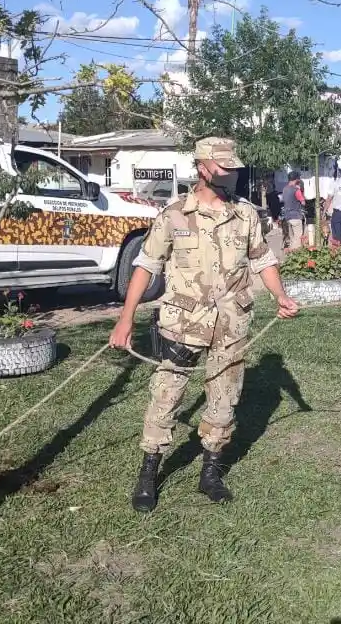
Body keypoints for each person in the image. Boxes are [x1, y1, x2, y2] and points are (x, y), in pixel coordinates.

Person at [108, 137, 300, 513]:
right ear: (203, 168)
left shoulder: (245, 215)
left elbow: (263, 261)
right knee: (166, 397)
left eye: (233, 168)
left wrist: (281, 296)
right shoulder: (174, 214)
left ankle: (210, 472)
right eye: (223, 168)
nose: (231, 175)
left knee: (224, 401)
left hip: (231, 325)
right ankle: (149, 472)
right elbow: (145, 266)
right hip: (182, 323)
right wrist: (125, 319)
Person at [279, 170, 306, 252]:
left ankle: (290, 253)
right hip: (296, 216)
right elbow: (303, 202)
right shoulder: (296, 190)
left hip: (287, 217)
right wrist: (301, 191)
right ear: (297, 179)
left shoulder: (285, 189)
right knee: (297, 238)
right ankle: (295, 255)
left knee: (291, 238)